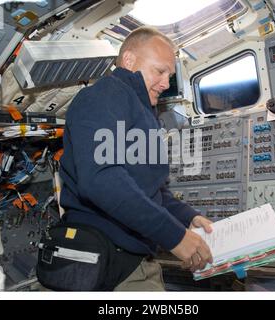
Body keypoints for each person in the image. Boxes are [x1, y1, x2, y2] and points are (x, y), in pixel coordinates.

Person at [59, 26, 213, 291]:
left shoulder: (142, 112)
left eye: (170, 75)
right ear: (129, 61)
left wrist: (187, 218)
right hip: (104, 257)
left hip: (132, 257)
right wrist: (175, 237)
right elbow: (102, 179)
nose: (166, 84)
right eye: (159, 71)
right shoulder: (105, 95)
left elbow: (149, 190)